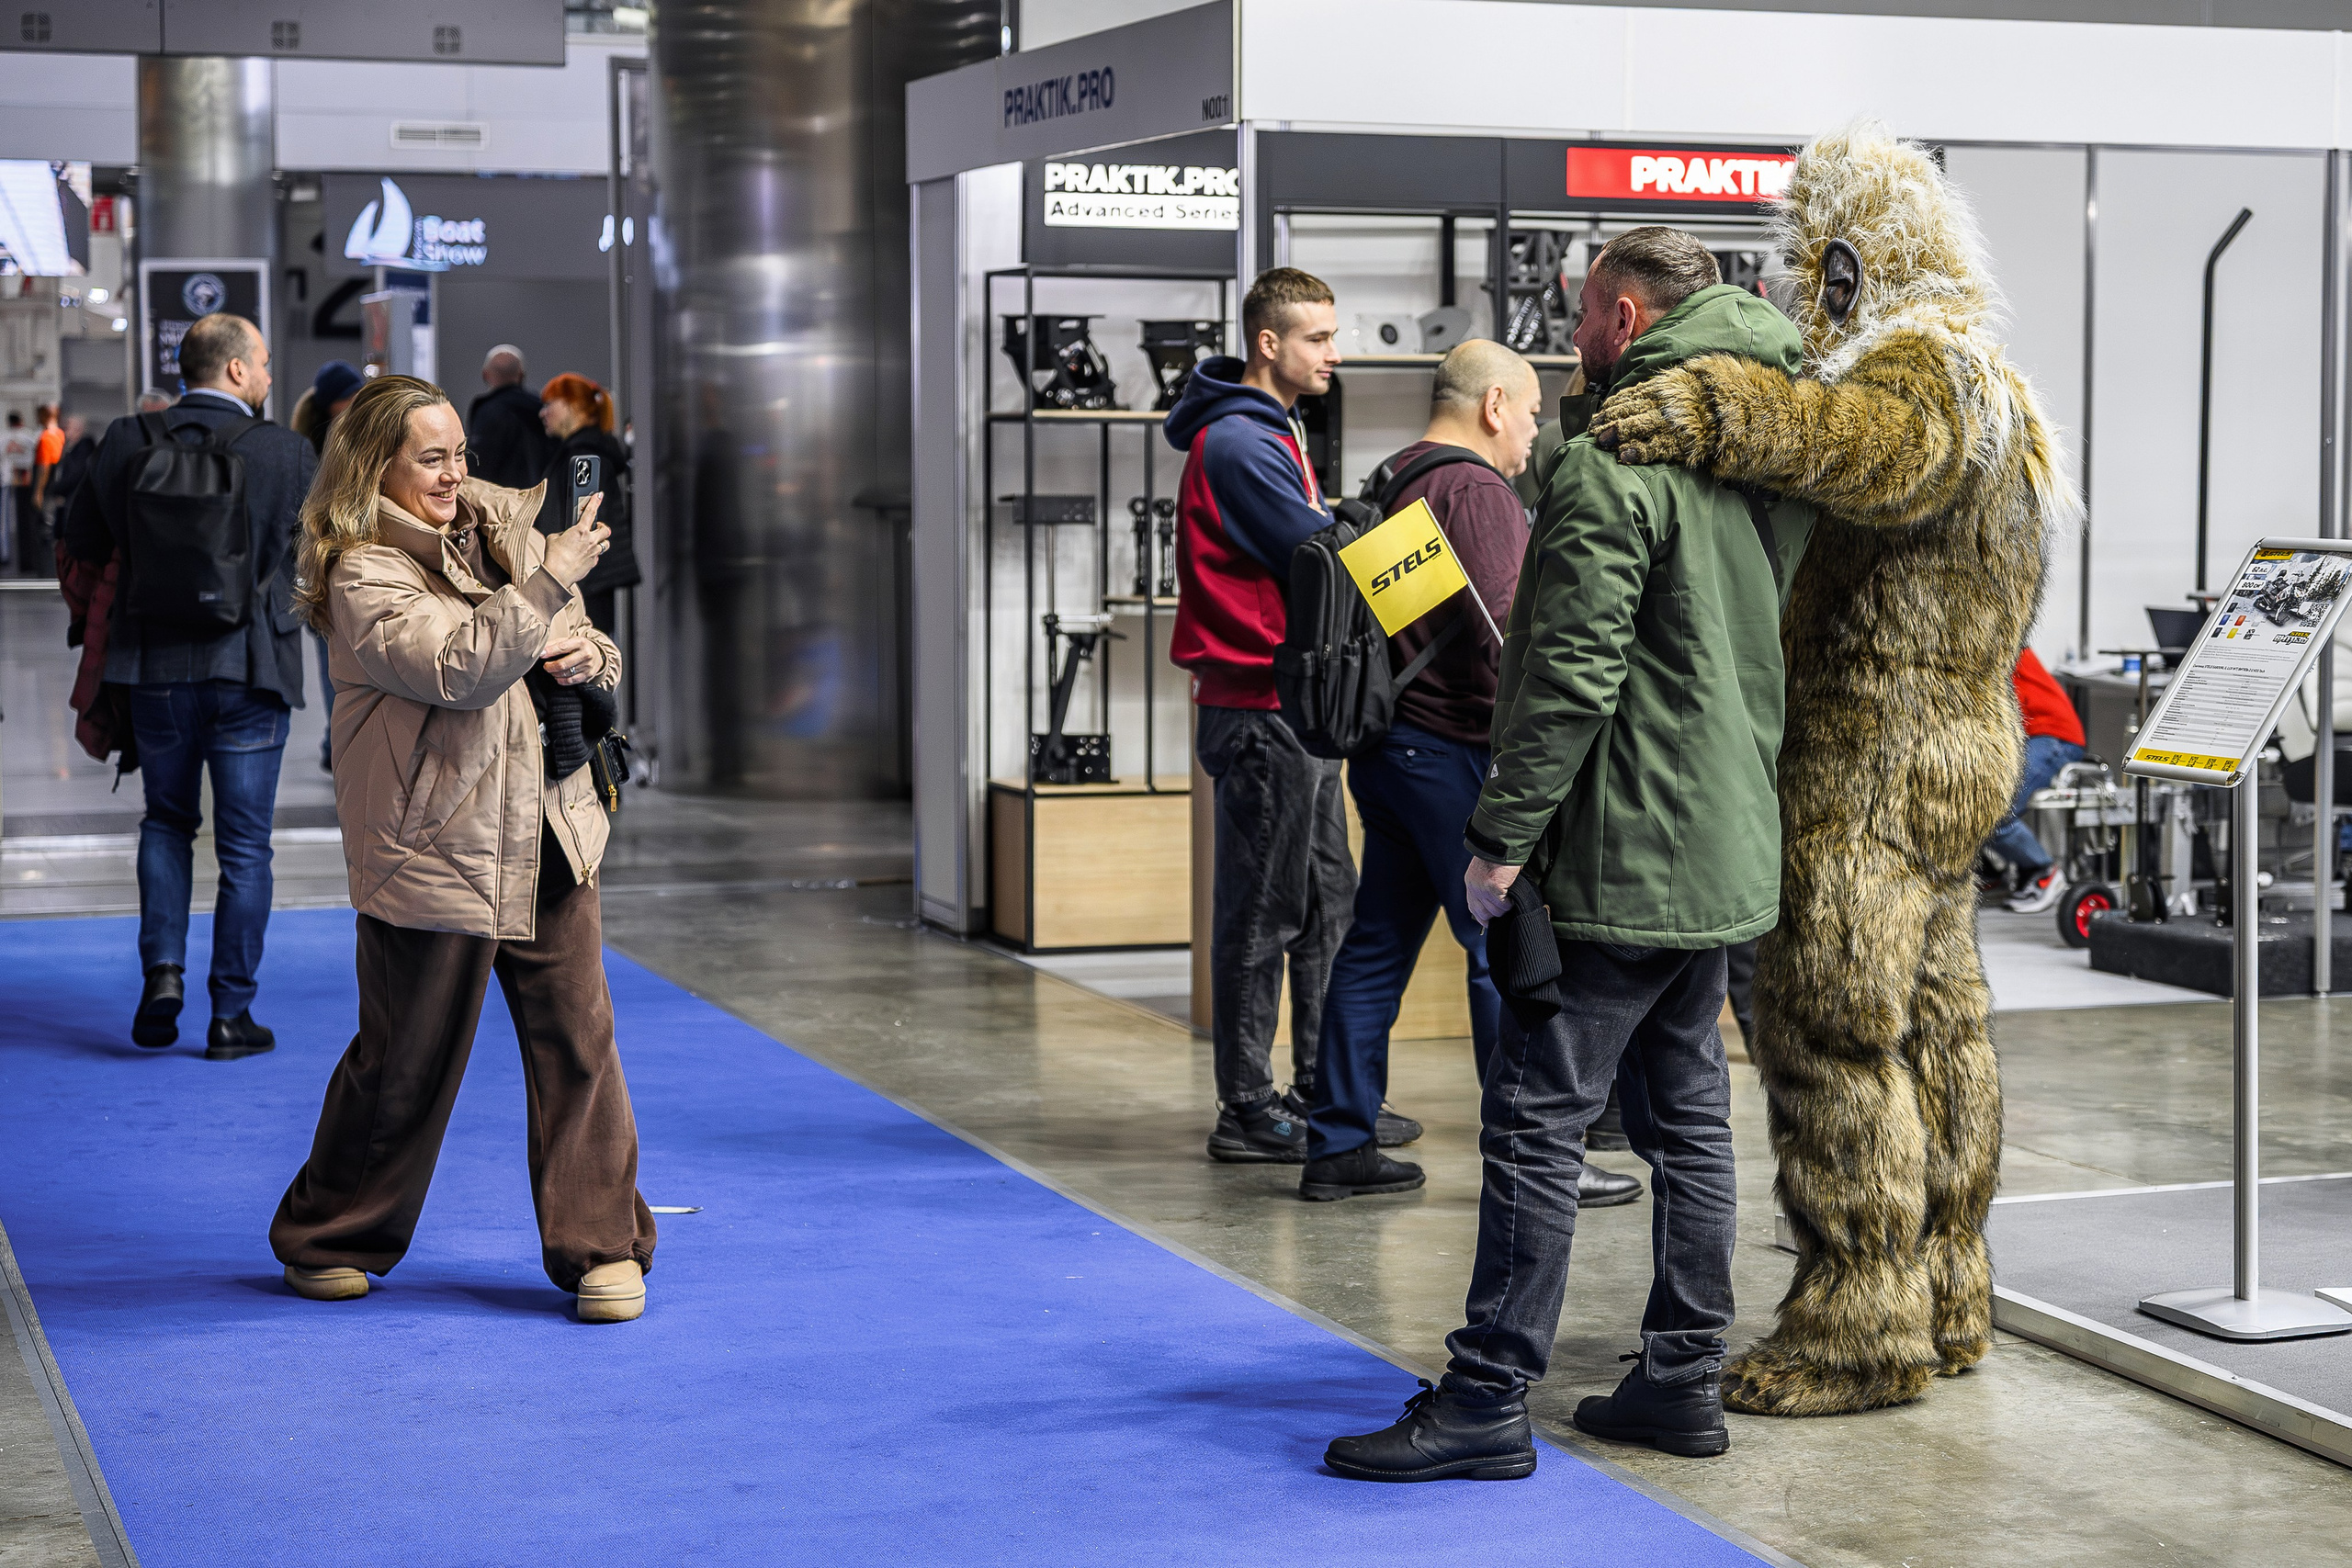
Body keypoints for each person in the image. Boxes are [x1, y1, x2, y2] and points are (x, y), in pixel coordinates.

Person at [1325, 229, 1814, 1480]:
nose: (1573, 334)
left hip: (1622, 848)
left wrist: (1499, 839)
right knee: (1691, 1118)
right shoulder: (1768, 457)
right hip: (1722, 841)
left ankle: (1488, 1393)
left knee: (1538, 1116)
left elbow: (1565, 678)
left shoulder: (1610, 466)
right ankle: (1682, 1376)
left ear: (1630, 317)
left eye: (1586, 313)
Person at [268, 374, 657, 1322]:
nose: (453, 473)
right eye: (430, 457)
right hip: (433, 845)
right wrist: (550, 582)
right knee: (405, 1060)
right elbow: (458, 667)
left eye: (458, 454)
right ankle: (332, 1235)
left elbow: (587, 642)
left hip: (553, 829)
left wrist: (587, 658)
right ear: (377, 468)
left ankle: (601, 1245)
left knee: (581, 1046)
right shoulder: (363, 569)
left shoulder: (504, 529)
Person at [1298, 340, 1644, 1211]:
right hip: (1452, 755)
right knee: (1506, 953)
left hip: (1390, 751)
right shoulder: (1475, 490)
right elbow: (1504, 636)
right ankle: (1539, 1158)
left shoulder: (1398, 475)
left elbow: (1415, 632)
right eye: (1529, 412)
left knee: (1375, 944)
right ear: (1495, 404)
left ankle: (1339, 1140)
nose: (1534, 432)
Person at [70, 313, 316, 1058]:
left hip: (152, 667)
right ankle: (230, 1015)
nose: (271, 377)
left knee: (166, 822)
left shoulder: (127, 440)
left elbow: (82, 541)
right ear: (236, 371)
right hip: (252, 669)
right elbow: (317, 561)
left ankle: (164, 977)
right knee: (246, 846)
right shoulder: (286, 451)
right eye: (266, 364)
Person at [1165, 267, 1363, 1165]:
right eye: (1317, 338)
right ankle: (1245, 1107)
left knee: (1325, 904)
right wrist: (1381, 538)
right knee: (1262, 914)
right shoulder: (1240, 445)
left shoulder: (1272, 430)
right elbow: (1314, 553)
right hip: (1259, 709)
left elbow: (1315, 531)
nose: (1333, 352)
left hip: (1295, 707)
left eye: (1332, 335)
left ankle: (1323, 1091)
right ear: (1267, 344)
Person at [290, 361, 366, 770]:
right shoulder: (317, 452)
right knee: (336, 670)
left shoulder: (326, 444)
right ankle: (338, 743)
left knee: (338, 669)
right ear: (334, 403)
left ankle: (335, 743)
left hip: (335, 575)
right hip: (328, 577)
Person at [536, 372, 639, 637]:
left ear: (573, 406)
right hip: (582, 579)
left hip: (582, 582)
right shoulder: (583, 452)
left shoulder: (584, 457)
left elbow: (582, 524)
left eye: (550, 404)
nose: (542, 413)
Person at [1991, 649, 2087, 912]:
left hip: (2052, 737)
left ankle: (2044, 872)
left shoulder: (1994, 638)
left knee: (1993, 813)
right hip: (2030, 736)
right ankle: (2007, 870)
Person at [467, 343, 550, 490]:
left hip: (498, 502)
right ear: (522, 375)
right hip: (538, 500)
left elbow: (479, 464)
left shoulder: (486, 412)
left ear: (485, 375)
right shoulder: (543, 411)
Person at [1, 410, 34, 571]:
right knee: (26, 521)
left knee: (4, 521)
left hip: (7, 480)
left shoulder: (3, 437)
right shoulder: (29, 436)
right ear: (21, 420)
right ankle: (28, 560)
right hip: (26, 482)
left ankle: (4, 554)